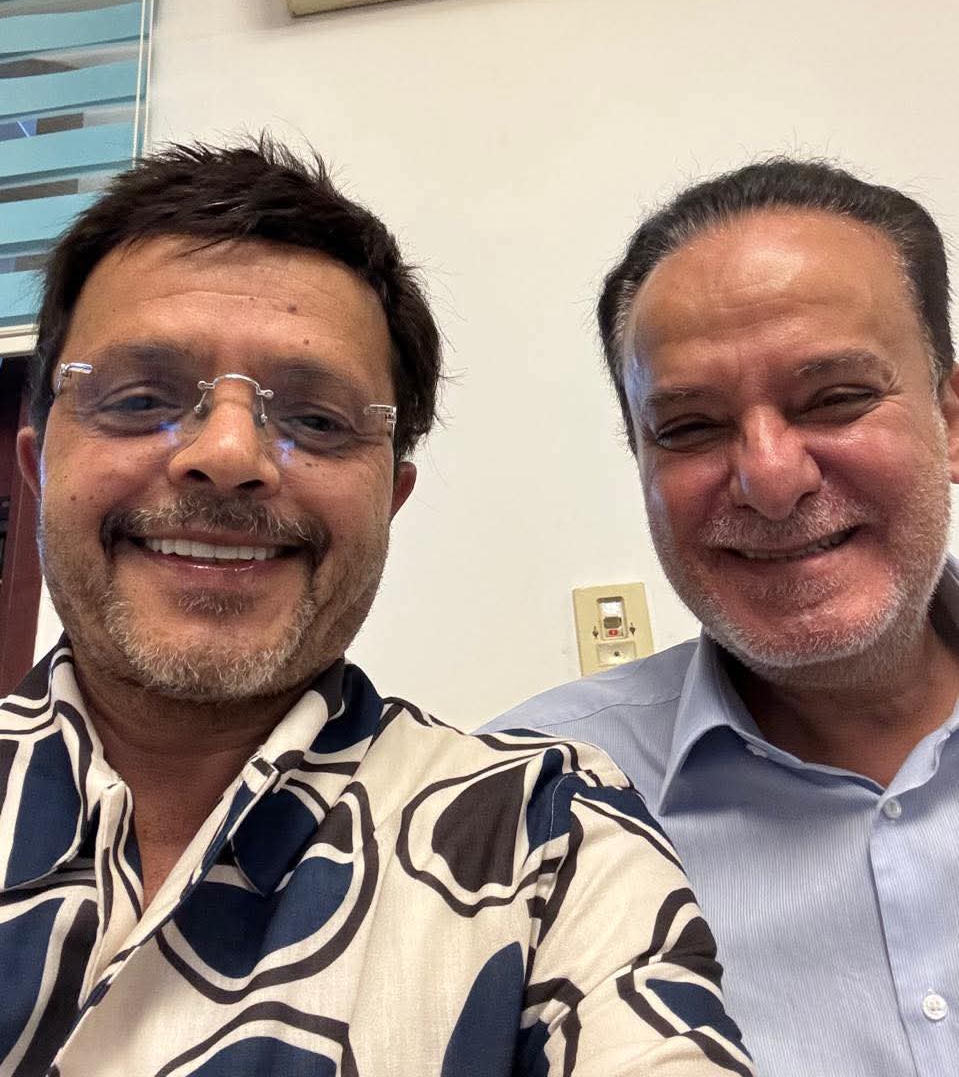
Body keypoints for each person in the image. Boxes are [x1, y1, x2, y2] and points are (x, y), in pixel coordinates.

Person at [0, 137, 752, 1077]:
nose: (228, 456)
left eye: (316, 419)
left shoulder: (548, 836)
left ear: (389, 500)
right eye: (141, 396)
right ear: (39, 466)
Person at [486, 158, 959, 1077]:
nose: (771, 480)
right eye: (690, 428)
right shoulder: (519, 807)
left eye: (835, 398)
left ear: (949, 420)